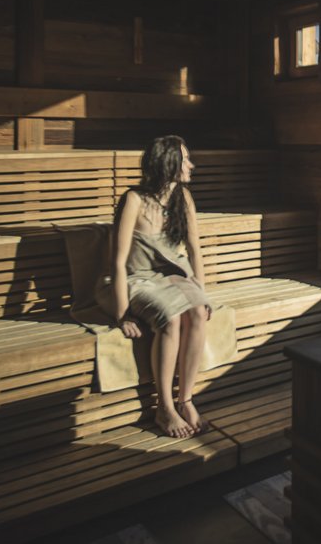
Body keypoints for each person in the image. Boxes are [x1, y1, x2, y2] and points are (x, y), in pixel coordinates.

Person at [111, 135, 212, 438]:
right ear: (168, 163)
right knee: (170, 317)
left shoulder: (184, 199)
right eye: (185, 159)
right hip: (139, 279)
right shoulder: (134, 200)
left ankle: (186, 399)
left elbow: (194, 249)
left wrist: (201, 290)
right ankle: (164, 408)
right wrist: (123, 314)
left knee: (197, 311)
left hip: (174, 275)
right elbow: (117, 262)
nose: (191, 165)